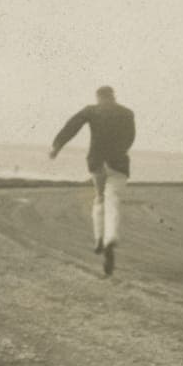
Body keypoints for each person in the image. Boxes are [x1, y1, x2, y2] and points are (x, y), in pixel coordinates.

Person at [49, 86, 136, 276]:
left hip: (97, 162)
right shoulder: (127, 113)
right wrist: (118, 152)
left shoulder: (92, 110)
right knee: (113, 199)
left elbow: (71, 126)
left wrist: (56, 146)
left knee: (99, 198)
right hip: (119, 164)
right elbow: (130, 139)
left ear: (99, 97)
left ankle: (98, 237)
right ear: (113, 96)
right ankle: (110, 236)